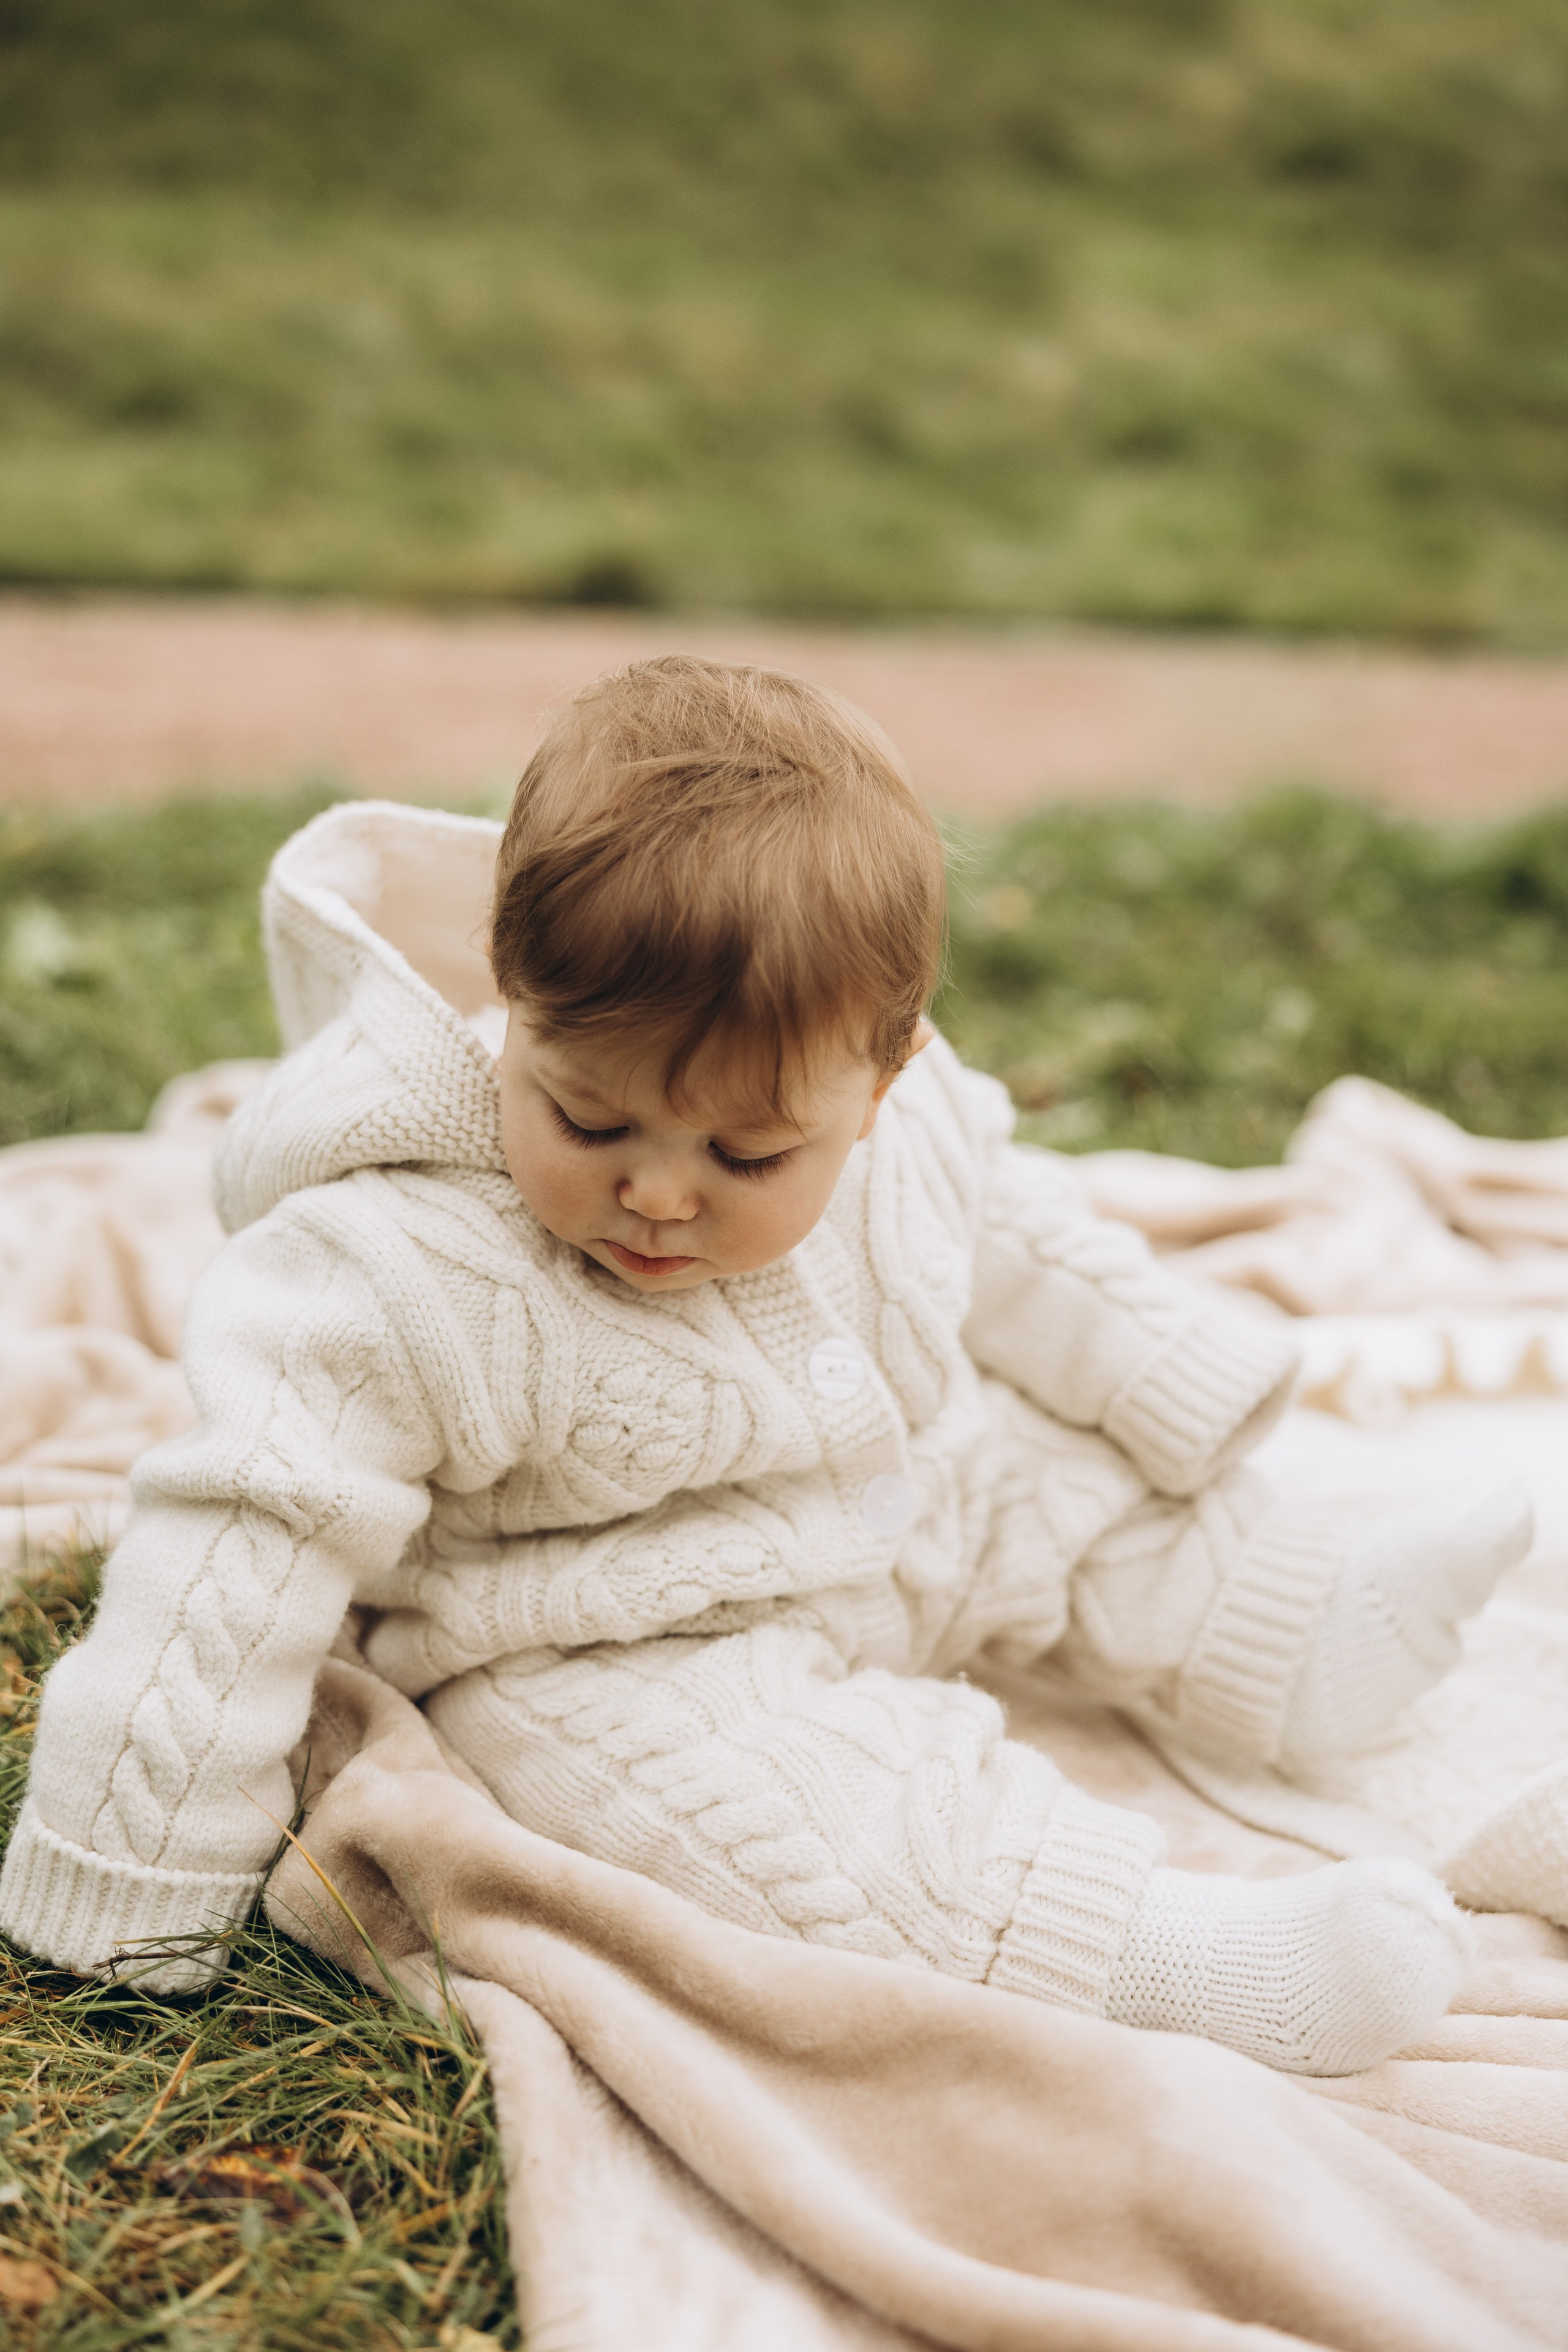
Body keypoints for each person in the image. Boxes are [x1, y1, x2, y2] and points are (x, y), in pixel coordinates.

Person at [0, 656, 1529, 2076]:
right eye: (588, 1120)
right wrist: (125, 1872)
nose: (658, 1193)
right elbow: (236, 1550)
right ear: (510, 1000)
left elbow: (1010, 1233)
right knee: (775, 1825)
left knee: (1061, 1486)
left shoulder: (898, 1109)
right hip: (604, 1641)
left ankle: (1296, 1627)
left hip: (894, 1505)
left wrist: (1178, 1374)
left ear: (885, 1075)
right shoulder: (385, 1271)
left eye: (746, 1154)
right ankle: (1157, 1948)